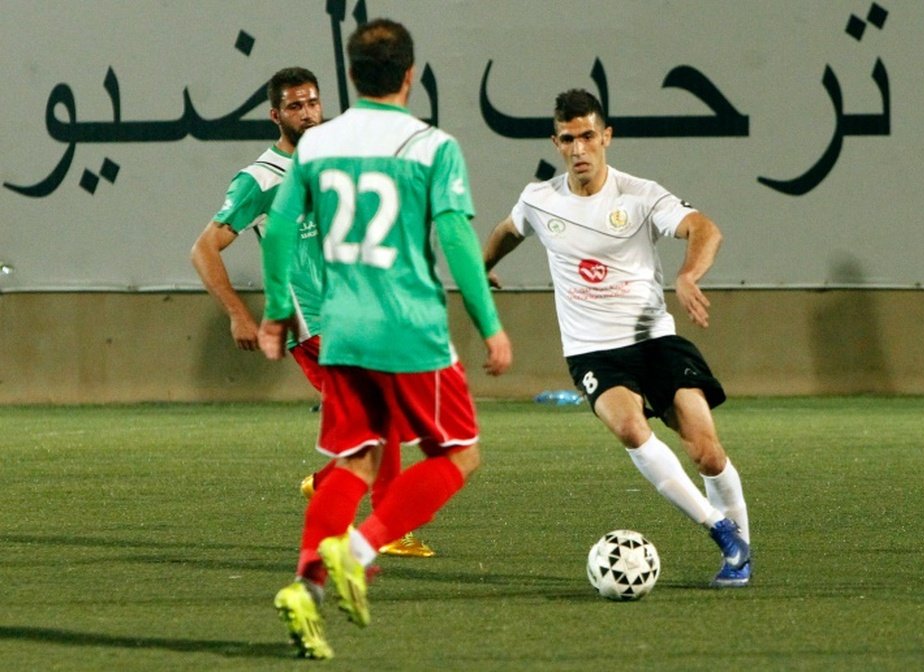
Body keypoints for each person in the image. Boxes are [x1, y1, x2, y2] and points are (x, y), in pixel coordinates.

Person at [259, 19, 512, 660]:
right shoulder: (432, 146)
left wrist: (276, 310)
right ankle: (363, 550)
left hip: (342, 330)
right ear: (411, 75)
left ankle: (305, 587)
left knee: (354, 462)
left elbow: (283, 227)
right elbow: (456, 240)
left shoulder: (317, 145)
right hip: (411, 331)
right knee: (460, 456)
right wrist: (490, 326)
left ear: (348, 77)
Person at [483, 88, 751, 589]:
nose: (579, 148)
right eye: (568, 139)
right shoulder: (539, 199)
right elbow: (507, 231)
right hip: (592, 351)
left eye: (588, 136)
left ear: (606, 136)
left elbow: (704, 228)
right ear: (555, 143)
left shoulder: (641, 195)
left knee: (707, 452)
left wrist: (688, 275)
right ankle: (721, 532)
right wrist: (480, 271)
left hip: (655, 340)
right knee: (630, 428)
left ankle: (743, 551)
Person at [190, 66, 433, 559]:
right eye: (296, 106)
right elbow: (203, 248)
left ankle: (327, 484)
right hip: (312, 321)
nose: (308, 113)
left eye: (313, 103)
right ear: (275, 115)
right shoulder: (261, 179)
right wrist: (239, 314)